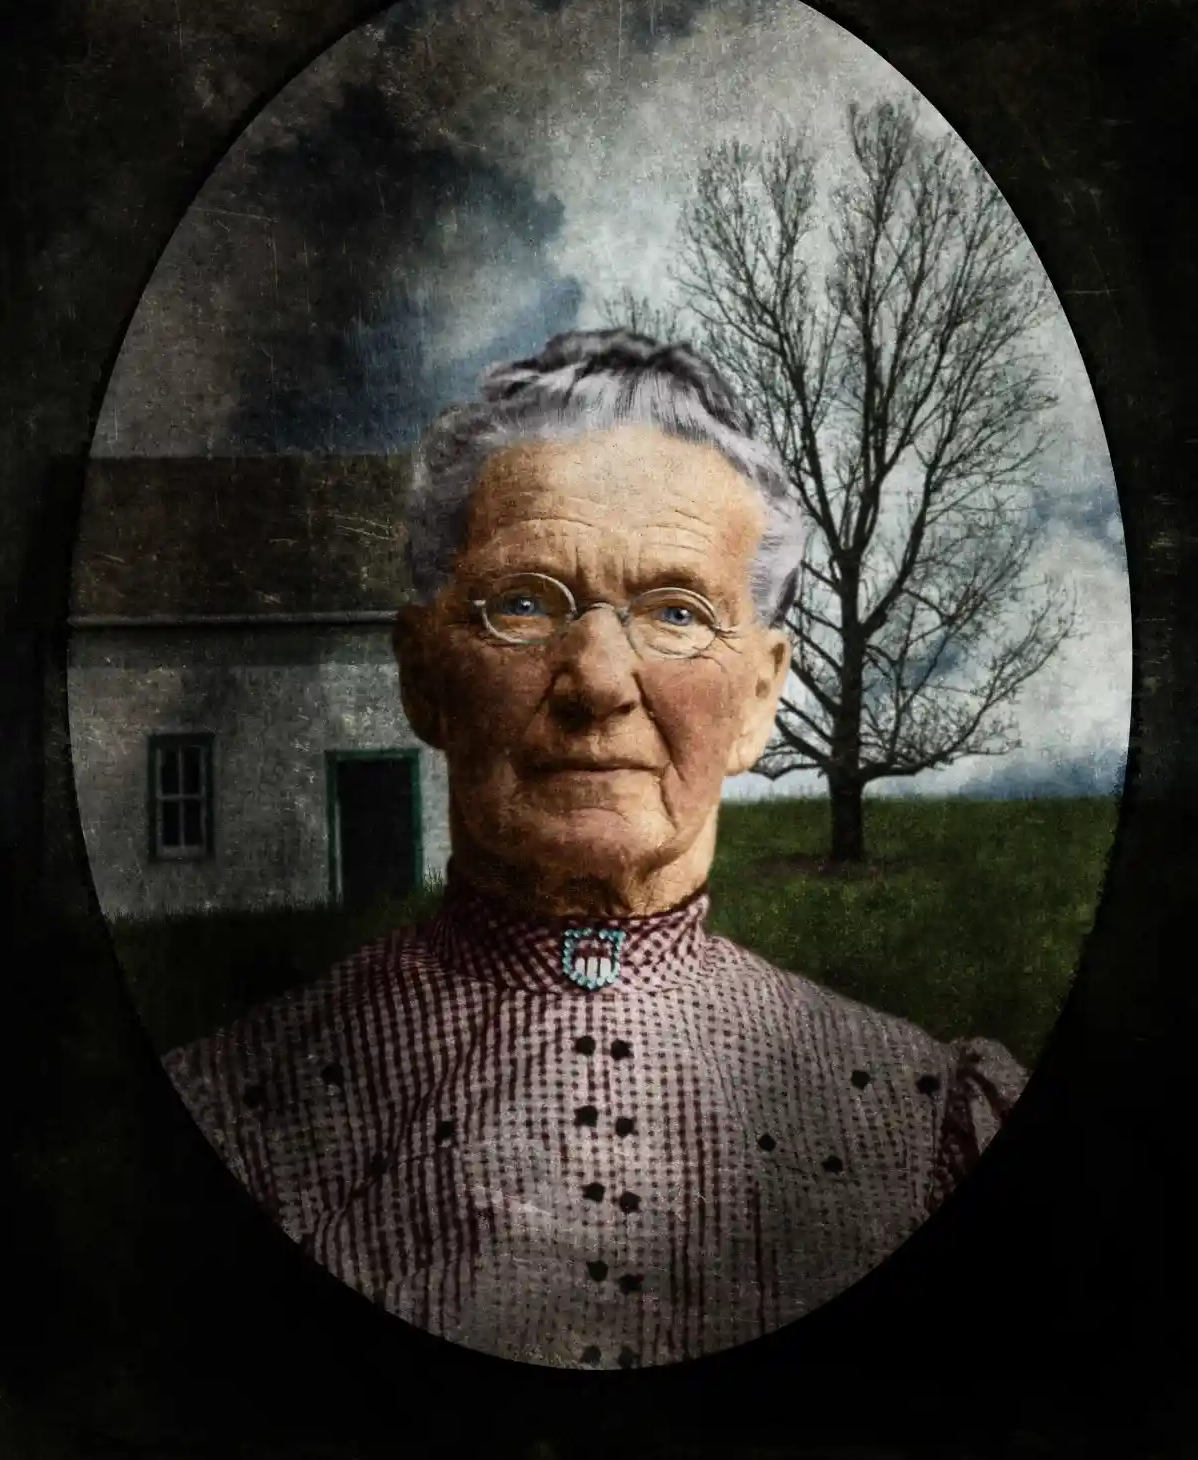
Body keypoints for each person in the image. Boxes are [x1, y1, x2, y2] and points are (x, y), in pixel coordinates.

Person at [165, 328, 1027, 1370]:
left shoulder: (927, 1124)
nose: (598, 681)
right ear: (424, 673)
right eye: (524, 601)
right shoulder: (229, 1119)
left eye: (675, 610)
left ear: (760, 695)